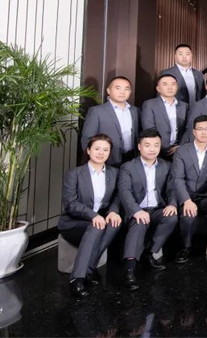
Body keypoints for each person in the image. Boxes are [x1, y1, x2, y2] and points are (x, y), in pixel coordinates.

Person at [59, 134, 122, 298]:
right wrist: (93, 215)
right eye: (97, 149)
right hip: (73, 223)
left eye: (105, 150)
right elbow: (70, 203)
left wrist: (113, 211)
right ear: (88, 150)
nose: (101, 153)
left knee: (114, 223)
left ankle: (89, 270)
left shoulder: (114, 173)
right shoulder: (74, 174)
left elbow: (117, 197)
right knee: (96, 226)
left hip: (98, 222)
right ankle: (77, 278)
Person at [118, 129, 178, 291]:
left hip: (157, 209)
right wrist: (136, 210)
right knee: (139, 223)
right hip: (137, 209)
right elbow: (124, 192)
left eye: (156, 145)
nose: (152, 149)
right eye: (147, 145)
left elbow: (172, 189)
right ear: (139, 146)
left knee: (171, 217)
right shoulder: (128, 167)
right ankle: (129, 269)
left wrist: (172, 204)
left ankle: (149, 253)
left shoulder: (166, 166)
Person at [171, 115, 207, 267]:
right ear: (193, 131)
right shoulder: (182, 151)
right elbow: (177, 179)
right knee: (188, 215)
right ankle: (186, 247)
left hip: (205, 196)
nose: (203, 132)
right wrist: (186, 200)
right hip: (187, 195)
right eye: (200, 129)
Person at [80, 76, 141, 167]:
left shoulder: (135, 111)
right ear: (108, 91)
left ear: (130, 92)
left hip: (131, 160)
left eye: (126, 89)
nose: (122, 92)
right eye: (118, 88)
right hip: (107, 161)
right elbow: (87, 139)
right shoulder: (97, 111)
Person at [141, 74, 187, 159]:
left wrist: (180, 147)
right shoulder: (149, 104)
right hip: (157, 151)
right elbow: (149, 129)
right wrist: (166, 148)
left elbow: (187, 129)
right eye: (165, 84)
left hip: (180, 150)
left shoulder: (184, 106)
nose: (170, 87)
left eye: (173, 84)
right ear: (158, 88)